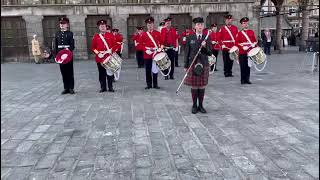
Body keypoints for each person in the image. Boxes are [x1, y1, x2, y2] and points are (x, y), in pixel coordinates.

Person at [184, 17, 214, 114]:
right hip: (193, 63)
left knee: (201, 86)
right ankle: (194, 105)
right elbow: (187, 53)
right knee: (194, 86)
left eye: (201, 24)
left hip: (204, 63)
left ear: (203, 26)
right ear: (195, 26)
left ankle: (200, 105)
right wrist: (186, 65)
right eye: (198, 24)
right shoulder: (190, 38)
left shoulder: (207, 37)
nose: (200, 26)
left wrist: (205, 46)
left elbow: (210, 53)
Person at [91, 20, 116, 93]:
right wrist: (98, 53)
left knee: (110, 72)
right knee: (101, 73)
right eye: (101, 26)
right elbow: (93, 47)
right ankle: (103, 87)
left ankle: (110, 87)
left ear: (106, 27)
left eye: (104, 26)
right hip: (100, 58)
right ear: (99, 28)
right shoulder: (96, 36)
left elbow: (115, 45)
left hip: (109, 56)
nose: (102, 27)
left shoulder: (110, 35)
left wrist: (111, 51)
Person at [55, 17, 75, 94]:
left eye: (64, 24)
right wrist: (56, 56)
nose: (62, 25)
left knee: (70, 72)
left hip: (68, 55)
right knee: (63, 72)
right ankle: (65, 88)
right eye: (61, 24)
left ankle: (71, 88)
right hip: (60, 56)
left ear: (67, 25)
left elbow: (72, 46)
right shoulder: (57, 34)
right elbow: (56, 46)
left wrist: (67, 50)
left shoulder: (70, 33)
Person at [140, 17, 162, 89]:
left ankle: (155, 84)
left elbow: (162, 43)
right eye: (148, 24)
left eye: (151, 24)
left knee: (155, 69)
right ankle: (149, 84)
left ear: (153, 24)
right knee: (148, 70)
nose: (150, 26)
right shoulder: (143, 34)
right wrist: (145, 50)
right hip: (147, 54)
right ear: (146, 25)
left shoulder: (157, 33)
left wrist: (160, 49)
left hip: (156, 54)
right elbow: (140, 44)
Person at [235, 17, 257, 85]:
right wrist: (242, 47)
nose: (246, 24)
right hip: (242, 52)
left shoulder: (251, 32)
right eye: (244, 23)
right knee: (243, 66)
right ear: (241, 24)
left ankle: (247, 79)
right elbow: (236, 43)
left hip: (249, 52)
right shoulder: (239, 33)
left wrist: (254, 45)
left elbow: (255, 41)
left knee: (248, 66)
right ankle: (242, 80)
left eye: (247, 23)